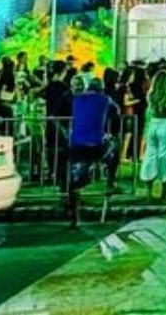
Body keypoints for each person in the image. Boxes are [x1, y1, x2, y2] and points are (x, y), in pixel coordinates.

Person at [67, 76, 117, 227]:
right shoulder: (105, 99)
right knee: (114, 145)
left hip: (76, 144)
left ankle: (75, 218)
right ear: (101, 89)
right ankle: (110, 179)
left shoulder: (76, 100)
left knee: (74, 183)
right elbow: (116, 111)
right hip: (96, 145)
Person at [140, 69, 166, 201]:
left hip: (153, 125)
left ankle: (149, 192)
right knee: (164, 157)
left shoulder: (150, 95)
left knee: (150, 156)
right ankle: (164, 190)